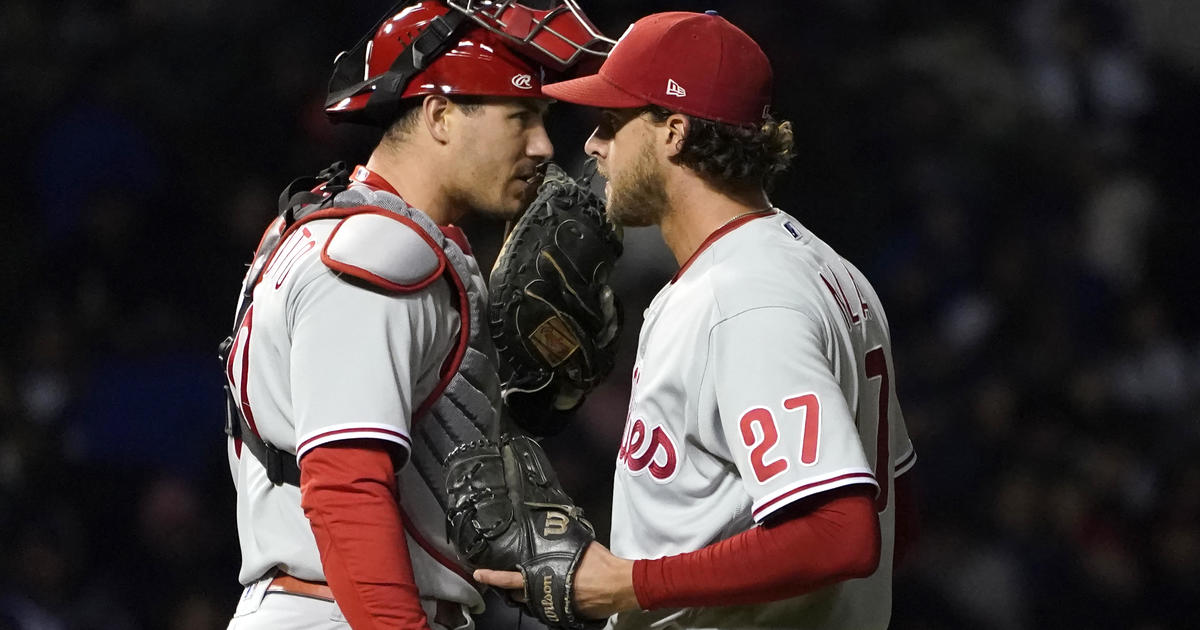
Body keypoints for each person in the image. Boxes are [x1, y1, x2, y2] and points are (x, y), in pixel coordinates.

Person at [475, 11, 919, 630]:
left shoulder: (743, 298)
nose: (592, 144)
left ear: (675, 132)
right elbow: (898, 508)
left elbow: (840, 536)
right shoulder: (825, 267)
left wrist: (629, 583)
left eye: (612, 123)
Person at [218, 2, 611, 628]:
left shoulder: (345, 224)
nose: (542, 144)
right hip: (341, 610)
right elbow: (345, 483)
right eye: (521, 117)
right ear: (441, 114)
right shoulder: (380, 252)